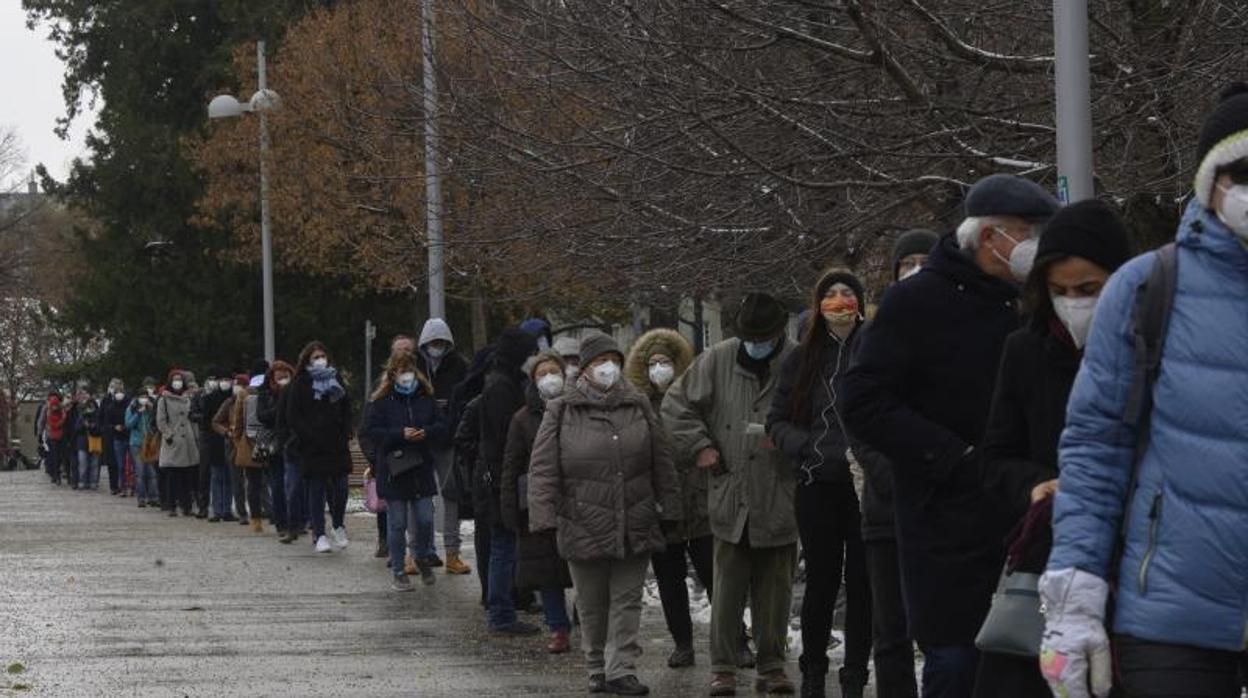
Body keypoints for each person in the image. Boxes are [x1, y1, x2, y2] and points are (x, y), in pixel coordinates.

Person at [1041, 85, 1248, 698]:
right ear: (1209, 181)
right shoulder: (1147, 287)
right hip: (1169, 617)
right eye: (1240, 172)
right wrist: (1073, 598)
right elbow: (1095, 449)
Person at [842, 173, 1059, 698]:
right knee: (957, 665)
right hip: (946, 523)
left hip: (1027, 514)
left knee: (1027, 668)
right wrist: (951, 457)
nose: (1037, 244)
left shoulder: (1033, 302)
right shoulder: (915, 303)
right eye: (1028, 231)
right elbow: (863, 401)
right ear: (990, 237)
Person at [971, 200, 1132, 697]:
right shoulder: (1025, 351)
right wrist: (1036, 485)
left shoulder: (1153, 349)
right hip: (1050, 564)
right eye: (1060, 291)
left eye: (1088, 290)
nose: (1074, 303)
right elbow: (995, 458)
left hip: (1136, 572)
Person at [529, 331, 682, 696]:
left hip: (635, 517)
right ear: (584, 369)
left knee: (627, 600)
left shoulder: (638, 403)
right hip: (583, 520)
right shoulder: (562, 409)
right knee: (593, 602)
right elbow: (544, 467)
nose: (607, 368)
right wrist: (543, 515)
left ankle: (621, 668)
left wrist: (670, 505)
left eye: (612, 360)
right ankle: (596, 666)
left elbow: (661, 459)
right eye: (599, 362)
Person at [663, 292, 799, 697]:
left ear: (779, 333)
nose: (755, 343)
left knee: (775, 589)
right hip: (730, 490)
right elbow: (675, 407)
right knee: (726, 590)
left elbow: (820, 416)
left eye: (764, 336)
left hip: (780, 491)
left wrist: (790, 440)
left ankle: (772, 665)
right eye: (749, 336)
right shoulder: (718, 358)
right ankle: (722, 666)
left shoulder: (798, 360)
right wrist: (700, 447)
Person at [768, 270, 872, 698]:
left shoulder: (876, 347)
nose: (840, 300)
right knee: (822, 581)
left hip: (866, 485)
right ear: (818, 304)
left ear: (861, 301)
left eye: (848, 293)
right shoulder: (802, 356)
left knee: (864, 584)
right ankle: (813, 671)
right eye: (830, 294)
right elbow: (776, 420)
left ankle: (855, 674)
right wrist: (806, 447)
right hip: (817, 482)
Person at [850, 229, 938, 698]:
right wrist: (892, 473)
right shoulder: (874, 337)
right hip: (886, 511)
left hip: (943, 506)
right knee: (892, 630)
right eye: (908, 263)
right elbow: (860, 418)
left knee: (946, 626)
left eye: (926, 260)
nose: (916, 271)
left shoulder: (956, 333)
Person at [624, 328, 710, 669]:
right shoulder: (639, 405)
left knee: (715, 574)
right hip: (662, 507)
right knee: (670, 579)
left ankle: (735, 640)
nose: (659, 368)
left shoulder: (696, 397)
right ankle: (683, 644)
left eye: (665, 362)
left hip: (700, 499)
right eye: (653, 363)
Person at [500, 349, 575, 653]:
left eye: (553, 372)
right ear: (533, 380)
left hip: (577, 499)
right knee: (548, 573)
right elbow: (511, 464)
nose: (548, 379)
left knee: (585, 569)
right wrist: (510, 507)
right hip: (539, 503)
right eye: (541, 374)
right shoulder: (522, 418)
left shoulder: (579, 407)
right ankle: (558, 627)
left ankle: (591, 621)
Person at [478, 327, 541, 635]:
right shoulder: (502, 387)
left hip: (500, 474)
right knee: (503, 545)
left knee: (503, 545)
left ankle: (503, 608)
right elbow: (507, 438)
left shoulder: (500, 381)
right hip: (503, 477)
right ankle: (501, 613)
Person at [366, 353, 448, 590]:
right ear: (393, 375)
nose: (407, 376)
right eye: (402, 372)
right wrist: (399, 434)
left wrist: (427, 432)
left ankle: (422, 555)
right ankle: (399, 570)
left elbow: (442, 425)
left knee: (424, 518)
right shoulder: (381, 402)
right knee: (398, 523)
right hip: (394, 468)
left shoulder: (426, 398)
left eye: (409, 371)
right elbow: (373, 431)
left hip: (420, 467)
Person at [414, 318, 472, 575]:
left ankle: (452, 552)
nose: (436, 347)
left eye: (441, 342)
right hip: (420, 440)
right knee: (417, 498)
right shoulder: (415, 365)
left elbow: (465, 400)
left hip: (448, 440)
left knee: (451, 496)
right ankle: (416, 551)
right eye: (432, 342)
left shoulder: (460, 366)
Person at [285, 341, 353, 554]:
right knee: (316, 489)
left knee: (341, 487)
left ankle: (338, 524)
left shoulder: (336, 379)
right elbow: (294, 415)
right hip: (312, 445)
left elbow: (346, 407)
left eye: (322, 356)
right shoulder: (300, 383)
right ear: (307, 360)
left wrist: (346, 431)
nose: (320, 360)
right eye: (315, 357)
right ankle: (319, 533)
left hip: (337, 443)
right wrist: (308, 436)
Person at [214, 374, 267, 533]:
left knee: (260, 482)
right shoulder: (230, 402)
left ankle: (266, 511)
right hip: (238, 445)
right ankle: (244, 513)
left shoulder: (262, 398)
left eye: (241, 384)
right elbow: (217, 421)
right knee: (239, 481)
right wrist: (229, 434)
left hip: (254, 441)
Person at [257, 361, 295, 539]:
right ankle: (282, 523)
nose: (282, 380)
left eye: (285, 376)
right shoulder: (265, 394)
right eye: (279, 377)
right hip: (274, 445)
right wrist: (280, 405)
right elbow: (262, 416)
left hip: (293, 442)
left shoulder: (296, 392)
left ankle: (297, 521)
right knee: (278, 485)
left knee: (294, 485)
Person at [156, 369, 200, 517]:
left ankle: (187, 505)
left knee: (187, 475)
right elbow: (161, 421)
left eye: (180, 380)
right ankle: (171, 506)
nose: (177, 382)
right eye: (175, 379)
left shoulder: (188, 398)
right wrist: (169, 435)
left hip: (188, 440)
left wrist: (195, 437)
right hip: (173, 441)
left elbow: (192, 418)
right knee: (172, 476)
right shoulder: (164, 400)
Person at [197, 370, 234, 522]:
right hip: (214, 441)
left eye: (227, 379)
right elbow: (206, 423)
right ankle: (217, 510)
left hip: (231, 441)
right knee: (217, 476)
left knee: (229, 477)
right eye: (222, 379)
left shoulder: (234, 398)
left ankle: (227, 510)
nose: (225, 382)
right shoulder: (210, 398)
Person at [125, 381, 160, 508]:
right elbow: (128, 425)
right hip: (136, 443)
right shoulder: (131, 408)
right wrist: (138, 414)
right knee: (140, 472)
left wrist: (151, 410)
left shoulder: (150, 407)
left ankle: (154, 497)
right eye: (142, 397)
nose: (144, 399)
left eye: (146, 397)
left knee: (151, 472)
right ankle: (141, 498)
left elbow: (156, 421)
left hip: (150, 442)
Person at [101, 379, 130, 496]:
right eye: (113, 386)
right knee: (112, 462)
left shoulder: (128, 400)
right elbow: (102, 418)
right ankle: (114, 485)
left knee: (124, 462)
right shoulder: (106, 400)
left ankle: (125, 485)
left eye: (117, 386)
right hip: (110, 434)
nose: (115, 389)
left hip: (125, 434)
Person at [72, 392, 103, 491]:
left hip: (94, 442)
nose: (90, 409)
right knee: (83, 464)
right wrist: (83, 425)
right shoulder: (82, 416)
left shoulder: (98, 416)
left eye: (92, 406)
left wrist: (93, 427)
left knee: (94, 464)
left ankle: (93, 482)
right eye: (88, 406)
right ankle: (82, 482)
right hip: (82, 443)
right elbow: (76, 428)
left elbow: (101, 429)